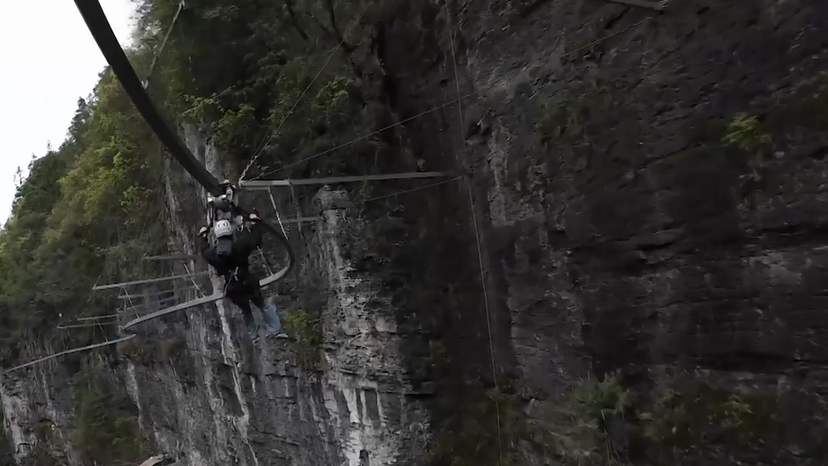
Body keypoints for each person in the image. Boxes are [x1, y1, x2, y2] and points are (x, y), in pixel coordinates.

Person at [198, 209, 281, 340]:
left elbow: (204, 251)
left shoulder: (213, 254)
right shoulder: (241, 246)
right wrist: (255, 222)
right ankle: (275, 330)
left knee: (246, 310)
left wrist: (203, 236)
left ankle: (254, 336)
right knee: (263, 305)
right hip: (248, 282)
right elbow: (254, 239)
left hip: (232, 288)